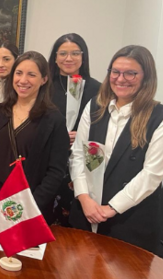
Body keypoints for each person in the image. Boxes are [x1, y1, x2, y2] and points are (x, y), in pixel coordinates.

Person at [69, 45, 163, 252]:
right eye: (115, 72)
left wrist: (111, 209)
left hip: (129, 222)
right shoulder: (94, 107)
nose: (120, 79)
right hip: (86, 211)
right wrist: (84, 197)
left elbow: (152, 174)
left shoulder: (161, 117)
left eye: (131, 73)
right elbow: (78, 156)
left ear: (146, 77)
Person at [0, 51, 69, 222]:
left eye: (31, 75)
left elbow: (55, 171)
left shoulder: (53, 119)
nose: (23, 80)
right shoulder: (0, 111)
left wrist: (30, 205)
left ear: (44, 79)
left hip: (31, 203)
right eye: (19, 73)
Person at [48, 33, 101, 225]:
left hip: (81, 163)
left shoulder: (98, 89)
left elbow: (103, 125)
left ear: (83, 56)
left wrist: (83, 135)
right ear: (55, 57)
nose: (68, 58)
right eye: (63, 53)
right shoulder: (44, 86)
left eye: (75, 53)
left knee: (73, 223)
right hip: (50, 160)